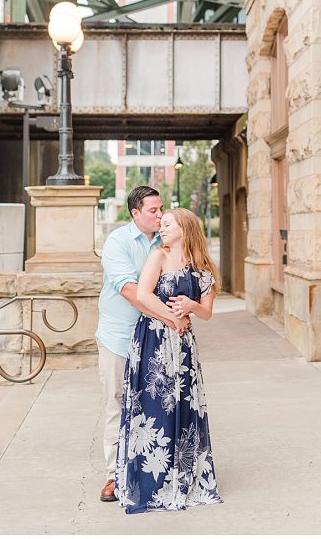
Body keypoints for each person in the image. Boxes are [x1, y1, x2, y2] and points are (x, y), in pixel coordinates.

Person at [115, 207, 223, 513]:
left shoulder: (203, 269)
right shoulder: (158, 257)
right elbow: (145, 295)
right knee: (151, 408)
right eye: (160, 224)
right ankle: (149, 483)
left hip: (184, 348)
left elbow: (207, 312)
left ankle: (183, 478)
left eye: (167, 224)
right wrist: (172, 318)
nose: (161, 228)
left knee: (184, 408)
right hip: (152, 339)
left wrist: (191, 306)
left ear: (184, 228)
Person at [96, 185, 190, 502]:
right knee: (117, 403)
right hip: (119, 337)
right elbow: (130, 291)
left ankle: (150, 472)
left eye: (161, 208)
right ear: (135, 213)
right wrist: (171, 318)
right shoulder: (117, 242)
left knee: (152, 406)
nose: (160, 214)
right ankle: (113, 476)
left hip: (155, 341)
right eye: (153, 210)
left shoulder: (166, 241)